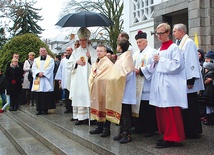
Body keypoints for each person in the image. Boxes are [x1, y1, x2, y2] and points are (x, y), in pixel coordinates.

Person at [149, 23, 187, 148]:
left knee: (169, 111)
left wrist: (160, 60)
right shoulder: (159, 50)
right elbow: (153, 68)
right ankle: (165, 135)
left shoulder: (174, 48)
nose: (158, 36)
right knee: (161, 111)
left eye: (161, 33)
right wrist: (154, 62)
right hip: (159, 85)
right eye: (157, 33)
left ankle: (172, 137)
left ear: (167, 33)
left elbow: (178, 65)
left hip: (170, 86)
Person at [173, 23, 204, 139]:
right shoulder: (179, 43)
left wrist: (190, 80)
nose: (173, 33)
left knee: (191, 106)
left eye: (174, 31)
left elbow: (191, 61)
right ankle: (187, 129)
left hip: (189, 81)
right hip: (183, 80)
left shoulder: (189, 43)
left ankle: (193, 131)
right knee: (186, 107)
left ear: (181, 31)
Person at [106, 39, 136, 144]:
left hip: (125, 89)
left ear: (120, 46)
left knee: (126, 113)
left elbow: (125, 74)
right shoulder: (122, 56)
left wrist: (113, 78)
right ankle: (121, 131)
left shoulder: (127, 57)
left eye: (117, 45)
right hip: (121, 89)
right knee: (121, 112)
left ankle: (127, 134)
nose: (116, 47)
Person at [67, 27, 97, 125]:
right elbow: (69, 64)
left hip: (88, 79)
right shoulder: (75, 52)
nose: (82, 42)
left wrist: (90, 58)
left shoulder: (92, 51)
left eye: (84, 40)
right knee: (79, 96)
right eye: (80, 40)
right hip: (78, 80)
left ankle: (90, 117)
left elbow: (97, 63)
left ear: (87, 40)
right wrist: (76, 62)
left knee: (88, 96)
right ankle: (80, 117)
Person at [132, 30, 157, 136]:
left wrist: (141, 71)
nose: (139, 44)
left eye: (140, 42)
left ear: (146, 41)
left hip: (147, 84)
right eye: (137, 42)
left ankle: (150, 129)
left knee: (148, 109)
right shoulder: (135, 54)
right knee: (139, 107)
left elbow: (153, 66)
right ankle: (139, 127)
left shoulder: (152, 52)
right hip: (137, 84)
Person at [89, 45, 113, 137]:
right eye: (97, 51)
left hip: (104, 89)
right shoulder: (95, 62)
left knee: (105, 107)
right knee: (97, 106)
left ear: (105, 52)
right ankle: (99, 127)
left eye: (101, 51)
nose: (99, 52)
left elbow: (108, 76)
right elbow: (92, 73)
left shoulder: (108, 63)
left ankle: (106, 129)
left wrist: (97, 77)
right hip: (96, 89)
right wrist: (93, 78)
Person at [31, 47, 55, 115]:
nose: (43, 52)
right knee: (38, 95)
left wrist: (44, 73)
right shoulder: (36, 60)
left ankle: (45, 110)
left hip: (46, 79)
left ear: (46, 52)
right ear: (39, 52)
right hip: (38, 79)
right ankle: (39, 110)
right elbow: (34, 68)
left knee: (45, 95)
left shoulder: (50, 60)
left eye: (44, 51)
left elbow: (50, 68)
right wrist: (38, 73)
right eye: (41, 51)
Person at [55, 47, 73, 113]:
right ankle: (68, 107)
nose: (68, 51)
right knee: (66, 94)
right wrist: (59, 78)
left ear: (72, 51)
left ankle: (72, 108)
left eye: (69, 50)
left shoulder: (73, 59)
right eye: (67, 50)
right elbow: (60, 69)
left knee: (71, 94)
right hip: (65, 79)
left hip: (72, 80)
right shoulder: (63, 60)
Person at [199, 51, 214, 125]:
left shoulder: (211, 69)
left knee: (210, 105)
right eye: (206, 58)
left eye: (208, 58)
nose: (206, 60)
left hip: (210, 90)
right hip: (207, 90)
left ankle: (210, 119)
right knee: (208, 105)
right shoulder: (205, 68)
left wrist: (212, 79)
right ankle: (208, 118)